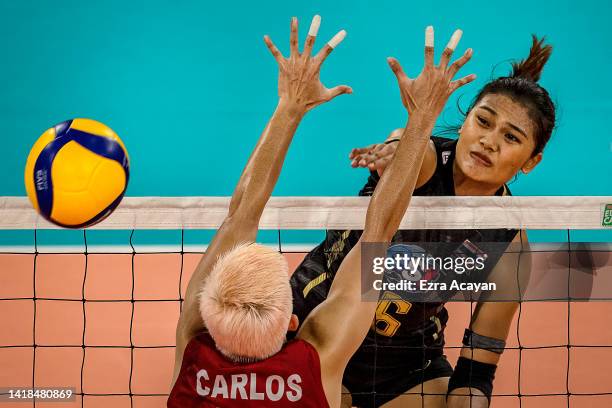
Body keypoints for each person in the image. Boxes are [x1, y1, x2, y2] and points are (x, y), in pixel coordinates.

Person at [167, 17, 475, 407]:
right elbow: (378, 232)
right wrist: (422, 118)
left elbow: (240, 215)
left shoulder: (193, 351)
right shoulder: (317, 357)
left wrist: (289, 106)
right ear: (294, 323)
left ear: (206, 313)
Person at [291, 33, 555, 407]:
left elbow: (476, 372)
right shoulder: (426, 160)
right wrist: (392, 152)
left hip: (407, 364)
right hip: (317, 326)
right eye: (483, 121)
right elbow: (407, 146)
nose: (489, 141)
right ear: (465, 122)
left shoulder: (508, 243)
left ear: (531, 161)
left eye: (511, 137)